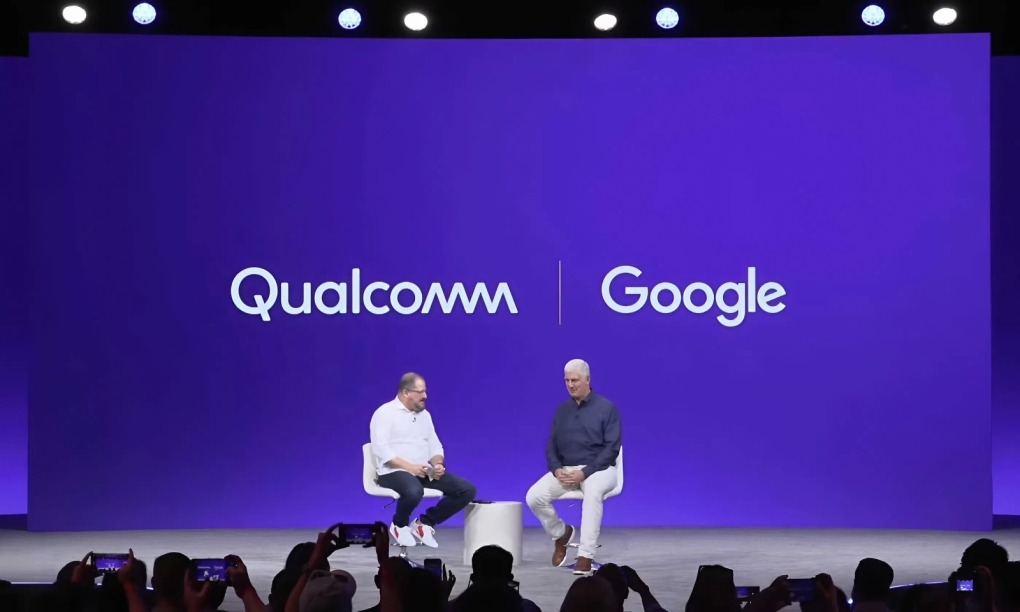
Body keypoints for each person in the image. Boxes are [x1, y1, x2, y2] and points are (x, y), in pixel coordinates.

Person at [526, 359, 622, 576]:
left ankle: (585, 555)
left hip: (600, 470)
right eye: (567, 380)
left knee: (593, 492)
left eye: (575, 380)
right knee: (534, 496)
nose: (570, 385)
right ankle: (560, 534)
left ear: (588, 379)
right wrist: (557, 469)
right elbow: (551, 447)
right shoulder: (562, 411)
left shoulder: (606, 408)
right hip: (568, 470)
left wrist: (584, 473)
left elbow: (611, 449)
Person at [370, 372, 477, 548]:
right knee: (414, 491)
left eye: (425, 391)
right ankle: (399, 525)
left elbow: (434, 445)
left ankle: (425, 523)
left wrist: (438, 464)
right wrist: (410, 468)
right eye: (420, 392)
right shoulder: (384, 413)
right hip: (392, 472)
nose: (425, 396)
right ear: (406, 392)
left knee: (466, 490)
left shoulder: (424, 415)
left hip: (422, 471)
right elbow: (381, 450)